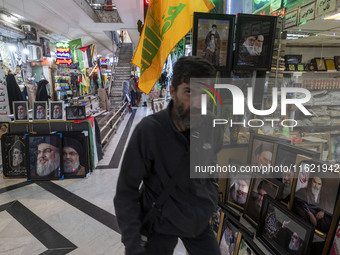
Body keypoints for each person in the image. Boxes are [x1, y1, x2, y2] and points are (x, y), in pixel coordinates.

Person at [114, 56, 223, 255]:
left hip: (197, 222)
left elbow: (211, 166)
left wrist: (209, 199)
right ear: (172, 92)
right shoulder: (149, 131)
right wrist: (133, 242)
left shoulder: (212, 126)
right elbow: (126, 191)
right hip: (159, 223)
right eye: (189, 91)